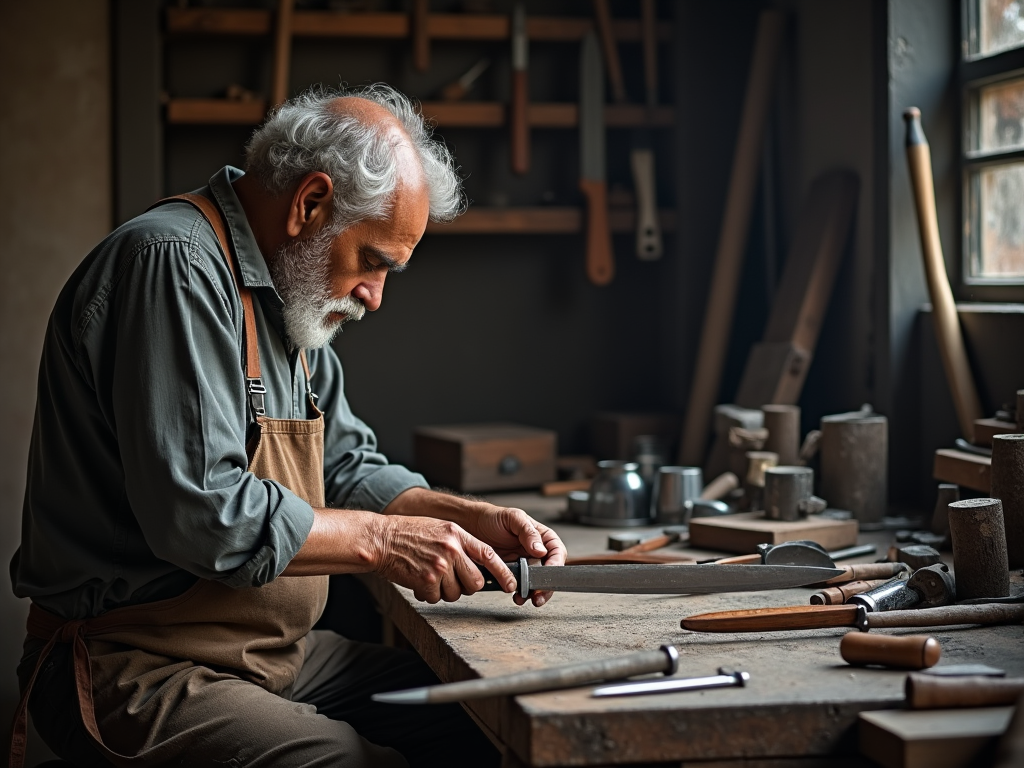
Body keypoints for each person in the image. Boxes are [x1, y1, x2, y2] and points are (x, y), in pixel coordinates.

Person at [10, 84, 566, 768]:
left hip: (265, 655)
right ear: (310, 204)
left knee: (481, 712)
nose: (375, 296)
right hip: (135, 666)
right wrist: (388, 540)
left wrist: (468, 518)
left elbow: (345, 466)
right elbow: (201, 512)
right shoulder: (174, 266)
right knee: (348, 763)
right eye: (373, 262)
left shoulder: (287, 297)